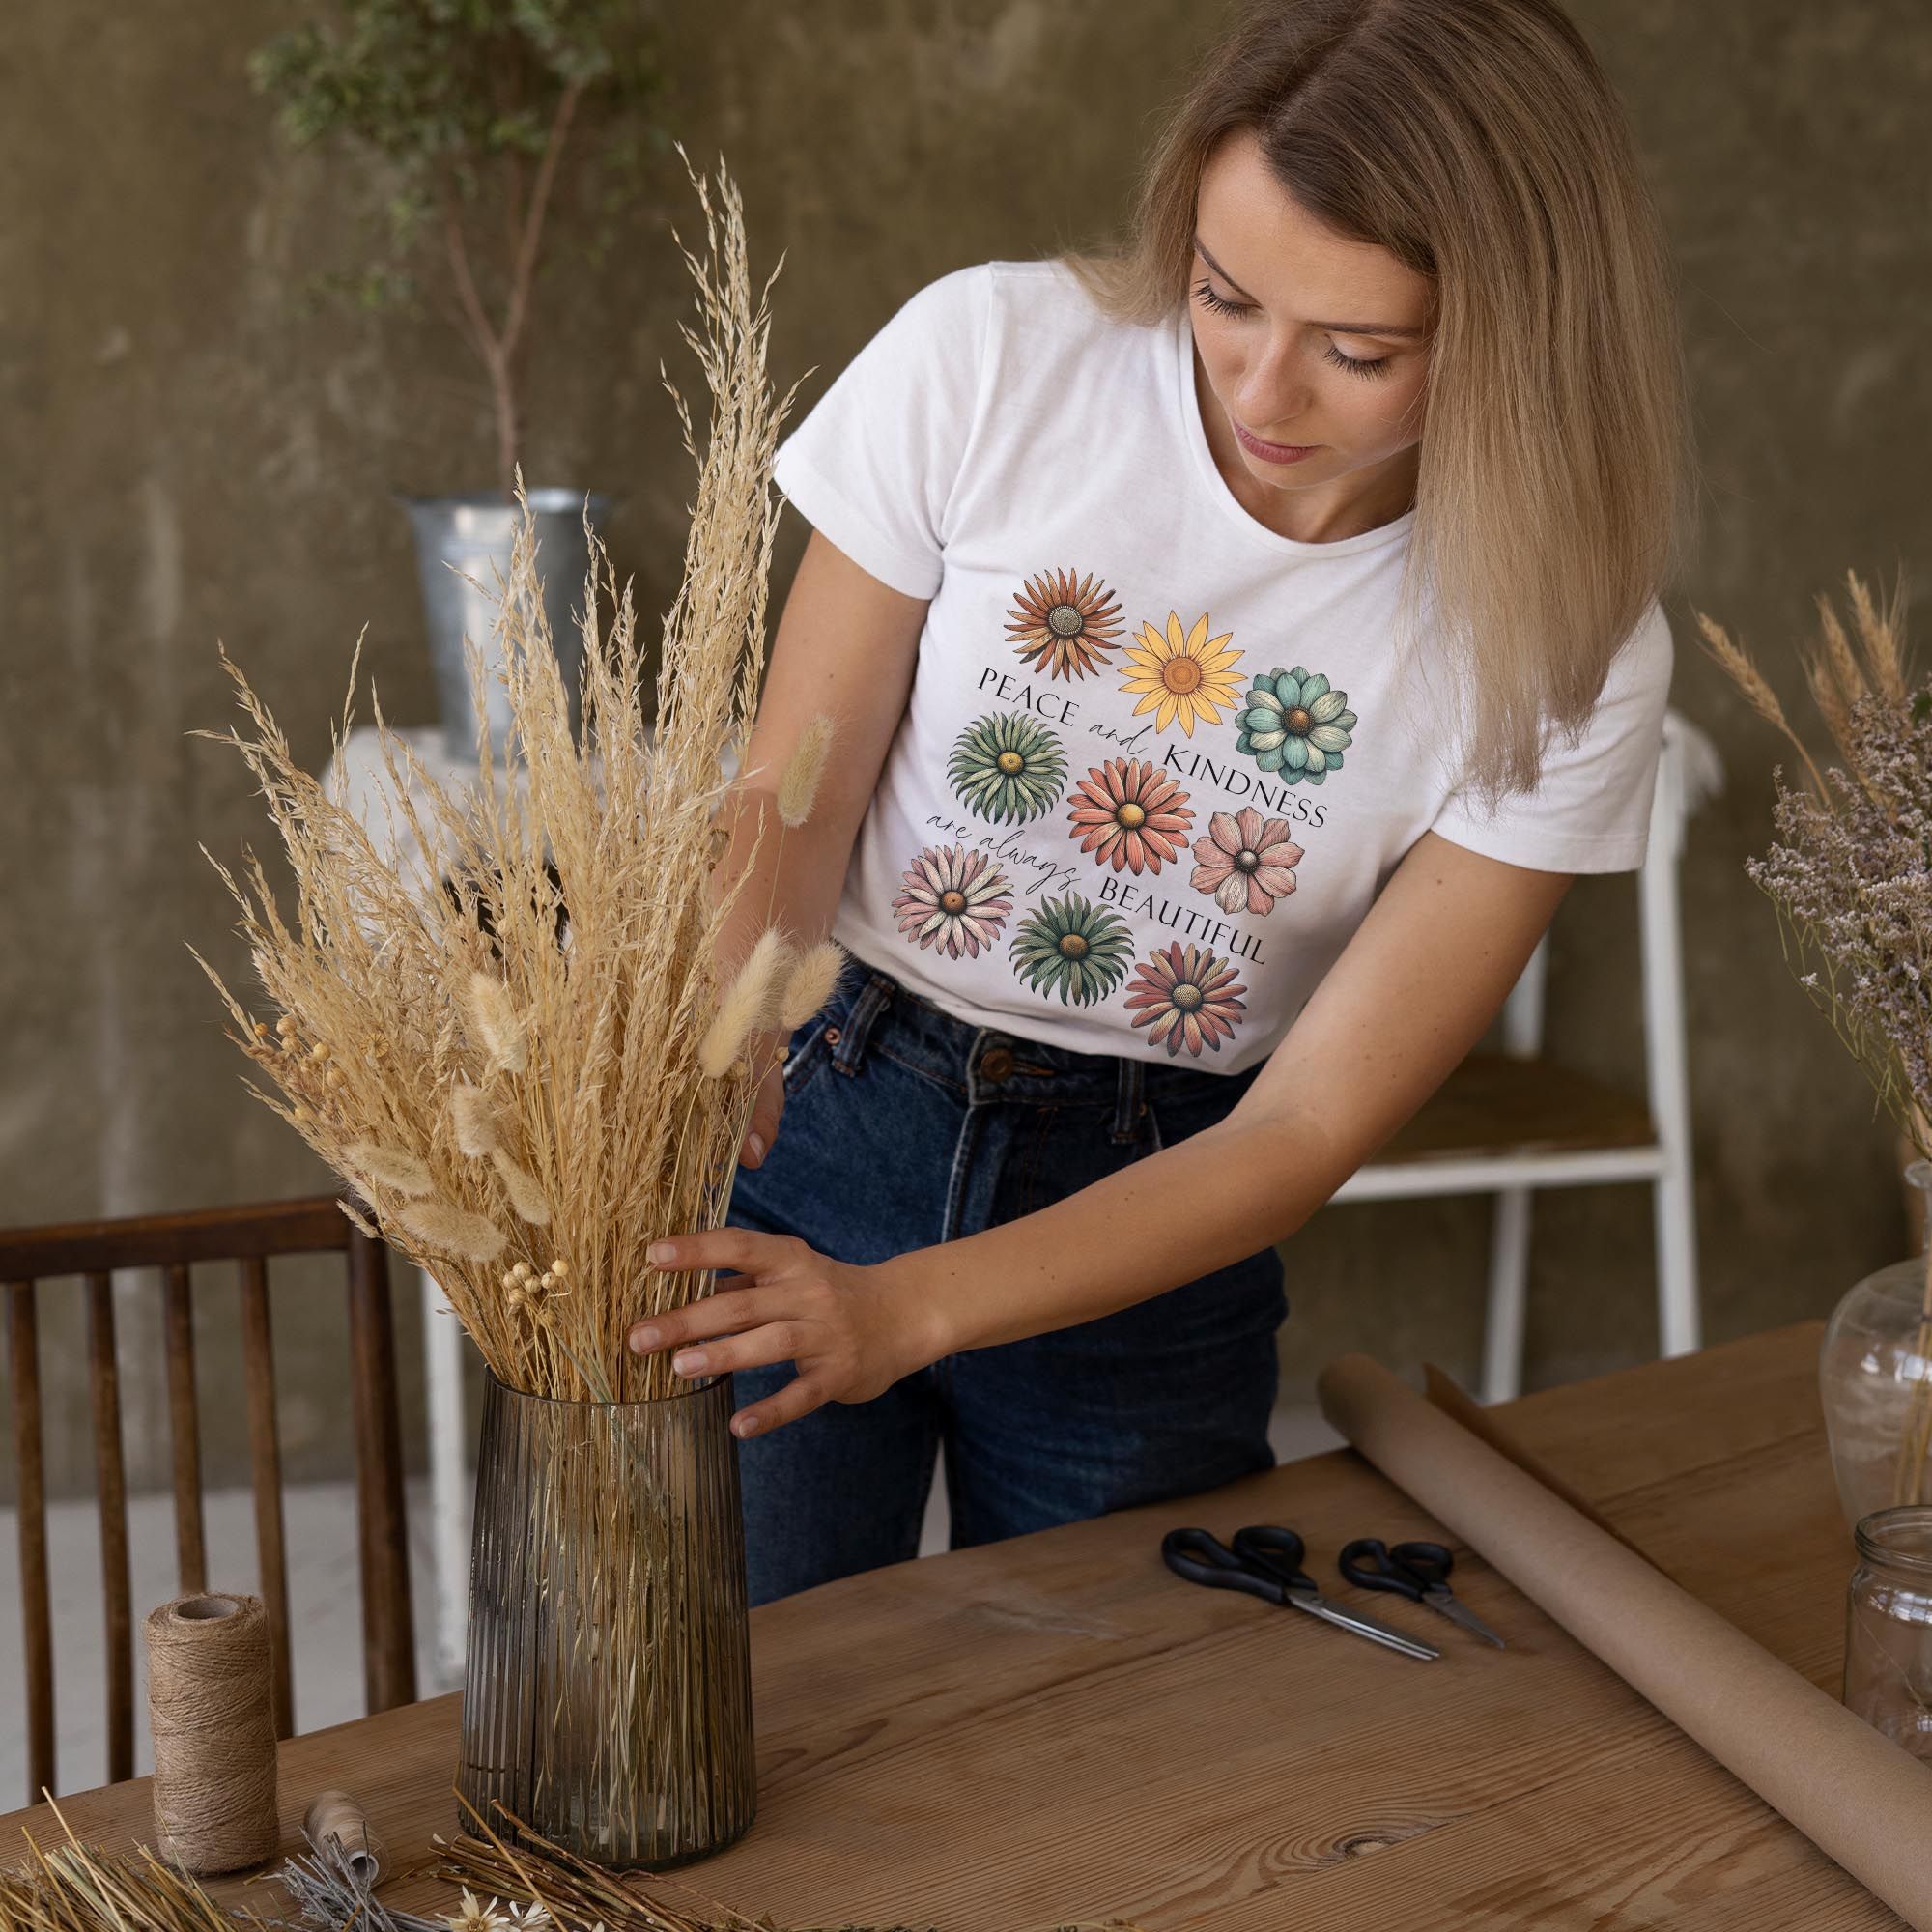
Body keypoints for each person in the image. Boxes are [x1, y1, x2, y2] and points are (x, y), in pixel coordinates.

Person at [625, 0, 1694, 1606]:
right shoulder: (992, 359)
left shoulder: (1570, 644)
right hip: (822, 1105)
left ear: (1521, 332)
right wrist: (722, 1036)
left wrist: (911, 1308)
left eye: (1359, 352)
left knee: (1107, 1722)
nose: (1263, 391)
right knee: (750, 1686)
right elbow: (793, 792)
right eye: (1223, 294)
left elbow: (1308, 1126)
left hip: (1158, 1218)